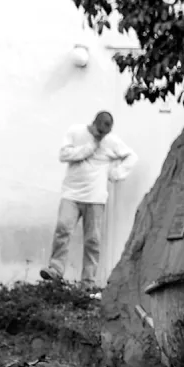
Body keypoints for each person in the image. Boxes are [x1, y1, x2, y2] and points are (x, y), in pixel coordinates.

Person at [40, 111, 137, 294]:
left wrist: (116, 174)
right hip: (71, 194)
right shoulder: (76, 132)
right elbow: (64, 155)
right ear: (93, 123)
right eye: (98, 132)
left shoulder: (112, 142)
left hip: (95, 198)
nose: (101, 136)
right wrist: (88, 148)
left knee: (93, 240)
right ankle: (56, 270)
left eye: (104, 134)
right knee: (63, 228)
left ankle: (87, 282)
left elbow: (132, 157)